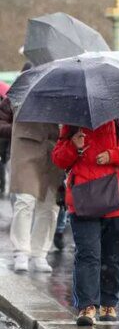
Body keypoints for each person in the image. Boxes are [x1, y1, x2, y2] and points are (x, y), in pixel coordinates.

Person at [52, 117, 119, 326]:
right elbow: (58, 159)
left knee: (113, 258)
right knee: (88, 255)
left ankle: (108, 303)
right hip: (83, 201)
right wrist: (73, 147)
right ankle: (86, 306)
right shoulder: (72, 123)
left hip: (116, 201)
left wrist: (113, 155)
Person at [9, 115, 63, 272]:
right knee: (25, 199)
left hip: (54, 147)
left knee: (51, 205)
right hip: (26, 145)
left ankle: (40, 252)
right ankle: (21, 251)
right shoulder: (24, 91)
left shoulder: (65, 92)